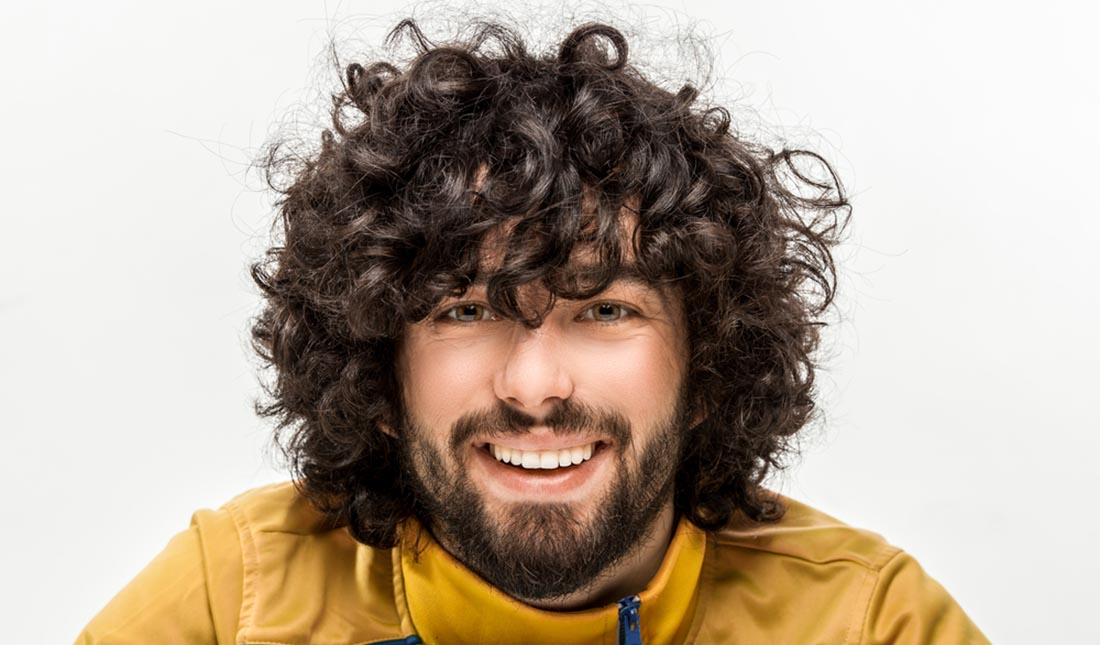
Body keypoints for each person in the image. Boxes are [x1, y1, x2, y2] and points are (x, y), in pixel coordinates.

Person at [76, 19, 987, 645]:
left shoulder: (871, 620)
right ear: (378, 371)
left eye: (605, 310)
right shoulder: (228, 601)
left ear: (707, 364)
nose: (535, 385)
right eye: (464, 311)